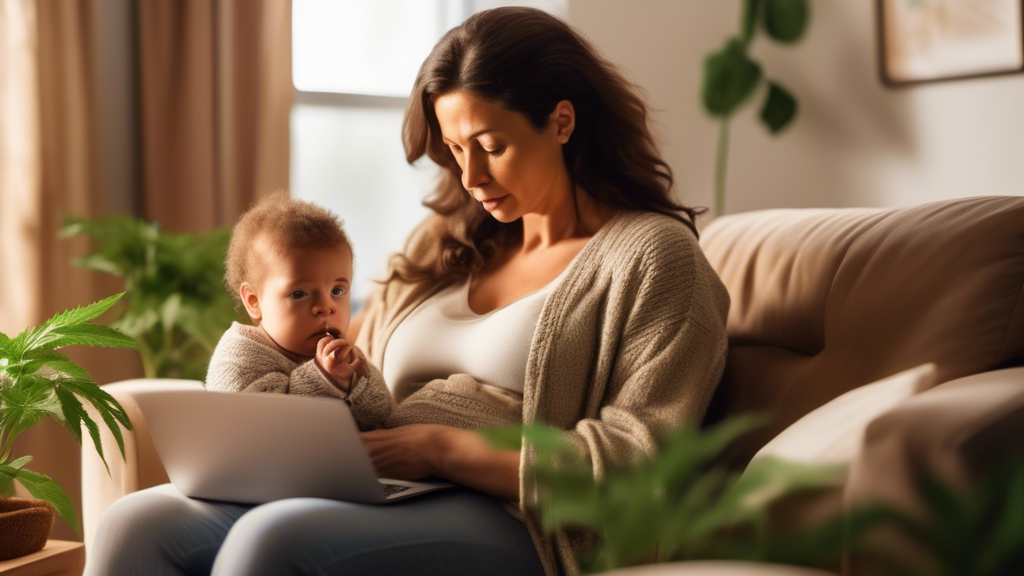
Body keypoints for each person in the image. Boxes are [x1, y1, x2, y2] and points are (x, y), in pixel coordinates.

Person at [84, 7, 730, 576]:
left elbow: (644, 460)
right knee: (136, 525)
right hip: (381, 485)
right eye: (454, 148)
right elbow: (335, 351)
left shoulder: (654, 257)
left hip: (517, 518)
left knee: (274, 542)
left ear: (561, 121)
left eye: (491, 146)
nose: (470, 175)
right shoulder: (446, 239)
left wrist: (438, 447)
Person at [204, 192, 392, 430]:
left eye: (337, 291)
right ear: (254, 301)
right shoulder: (238, 357)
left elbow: (383, 417)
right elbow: (260, 428)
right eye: (299, 294)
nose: (326, 307)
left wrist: (360, 381)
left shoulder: (344, 358)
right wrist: (324, 379)